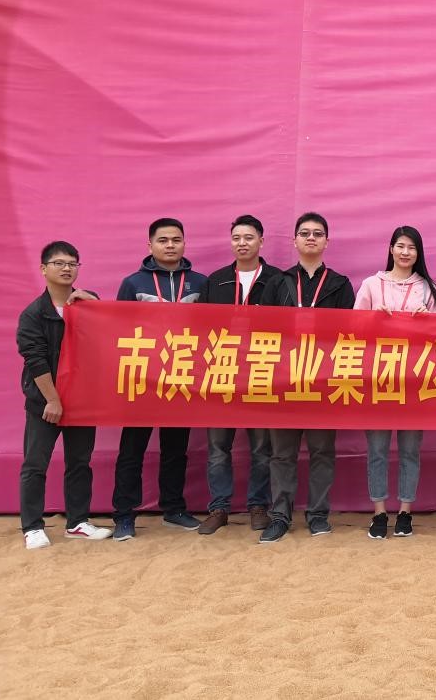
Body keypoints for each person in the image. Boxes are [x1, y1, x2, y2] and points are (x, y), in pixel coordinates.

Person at [258, 212, 356, 544]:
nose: (311, 238)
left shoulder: (339, 284)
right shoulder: (278, 282)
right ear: (295, 241)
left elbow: (348, 334)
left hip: (322, 380)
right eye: (304, 233)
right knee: (281, 453)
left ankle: (317, 515)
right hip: (284, 380)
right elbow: (265, 331)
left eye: (317, 233)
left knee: (322, 451)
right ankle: (280, 516)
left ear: (327, 241)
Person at [111, 217, 206, 540]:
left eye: (176, 240)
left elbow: (211, 330)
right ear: (150, 245)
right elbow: (117, 329)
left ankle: (173, 509)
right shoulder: (133, 283)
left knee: (175, 449)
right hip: (143, 379)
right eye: (163, 240)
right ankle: (124, 514)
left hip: (182, 377)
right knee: (132, 450)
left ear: (184, 244)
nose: (170, 245)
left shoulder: (200, 283)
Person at [17, 241, 111, 549]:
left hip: (82, 401)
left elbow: (108, 336)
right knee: (35, 464)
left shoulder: (87, 304)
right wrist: (53, 400)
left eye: (72, 263)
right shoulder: (34, 314)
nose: (66, 268)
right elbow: (35, 360)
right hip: (44, 403)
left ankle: (77, 522)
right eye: (58, 263)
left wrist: (94, 304)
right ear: (44, 269)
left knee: (80, 462)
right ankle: (32, 527)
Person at [195, 215, 282, 536]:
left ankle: (258, 506)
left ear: (261, 241)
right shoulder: (215, 281)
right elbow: (200, 327)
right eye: (236, 238)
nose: (242, 243)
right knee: (218, 448)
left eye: (248, 237)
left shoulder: (277, 279)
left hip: (261, 371)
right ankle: (219, 508)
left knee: (261, 448)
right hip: (221, 371)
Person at [354, 226, 436, 540]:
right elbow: (352, 330)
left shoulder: (427, 288)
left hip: (413, 381)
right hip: (378, 378)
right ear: (391, 249)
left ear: (419, 253)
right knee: (377, 449)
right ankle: (379, 512)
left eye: (412, 248)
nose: (405, 253)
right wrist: (371, 319)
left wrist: (428, 320)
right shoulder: (371, 284)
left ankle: (405, 511)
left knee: (410, 449)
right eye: (400, 246)